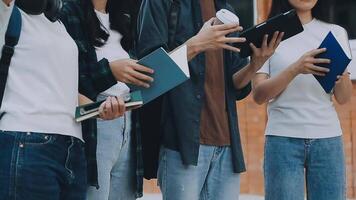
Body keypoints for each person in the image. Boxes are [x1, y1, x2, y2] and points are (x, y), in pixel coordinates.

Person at [136, 0, 284, 199]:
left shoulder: (226, 10)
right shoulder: (162, 3)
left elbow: (236, 86)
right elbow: (150, 76)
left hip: (226, 146)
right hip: (182, 143)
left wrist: (255, 64)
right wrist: (197, 44)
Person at [0, 0, 125, 199]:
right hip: (28, 142)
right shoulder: (7, 14)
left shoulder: (58, 25)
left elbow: (66, 94)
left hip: (73, 148)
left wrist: (101, 109)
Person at [252, 0, 353, 200]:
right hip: (282, 139)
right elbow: (259, 95)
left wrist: (341, 76)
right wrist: (296, 69)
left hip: (327, 138)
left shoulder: (335, 32)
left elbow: (343, 97)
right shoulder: (268, 35)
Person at [59, 0, 153, 198]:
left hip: (128, 120)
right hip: (94, 122)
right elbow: (67, 80)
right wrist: (110, 72)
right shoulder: (68, 13)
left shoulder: (124, 15)